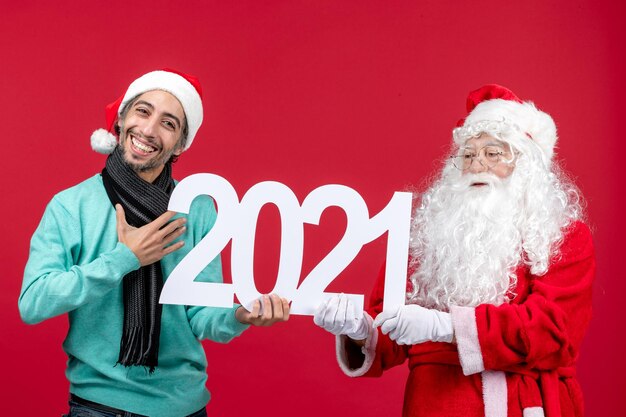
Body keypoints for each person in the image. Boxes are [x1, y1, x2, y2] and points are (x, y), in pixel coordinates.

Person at [19, 69, 290, 417]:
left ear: (180, 144)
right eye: (143, 111)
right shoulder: (70, 206)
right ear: (122, 119)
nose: (148, 130)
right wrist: (124, 258)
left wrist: (240, 315)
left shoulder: (198, 209)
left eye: (169, 123)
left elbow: (200, 314)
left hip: (185, 406)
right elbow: (33, 303)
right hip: (99, 406)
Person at [314, 84, 595, 417]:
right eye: (468, 154)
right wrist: (359, 331)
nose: (477, 165)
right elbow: (388, 325)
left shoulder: (562, 235)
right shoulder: (428, 235)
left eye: (493, 153)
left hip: (519, 405)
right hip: (434, 404)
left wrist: (444, 326)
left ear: (527, 165)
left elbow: (553, 328)